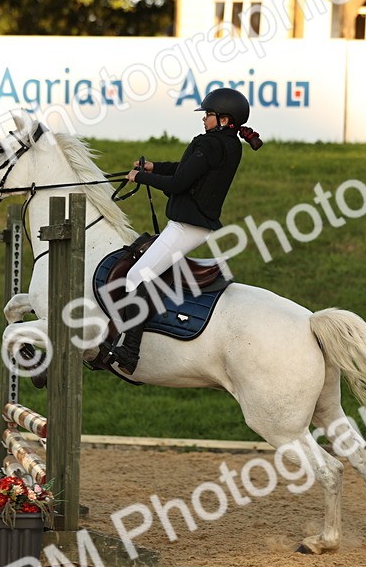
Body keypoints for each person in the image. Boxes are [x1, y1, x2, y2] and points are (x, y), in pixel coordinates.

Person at [107, 87, 262, 374]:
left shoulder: (209, 145)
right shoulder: (226, 144)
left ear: (225, 120)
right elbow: (185, 170)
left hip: (187, 225)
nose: (204, 119)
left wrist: (142, 176)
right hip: (191, 224)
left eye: (209, 115)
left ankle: (129, 352)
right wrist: (153, 166)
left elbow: (179, 183)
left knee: (135, 276)